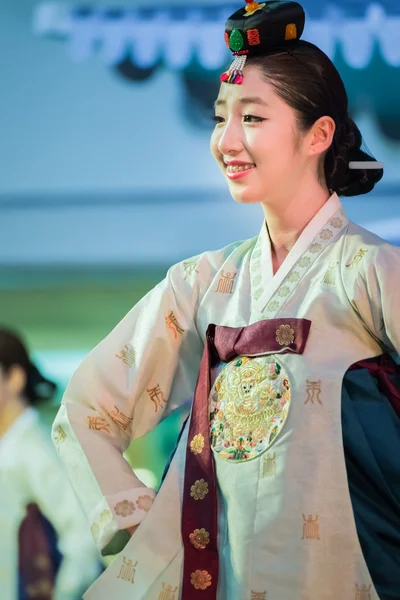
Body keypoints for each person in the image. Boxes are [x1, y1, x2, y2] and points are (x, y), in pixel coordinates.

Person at [52, 1, 400, 599]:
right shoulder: (200, 284)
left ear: (319, 133)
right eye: (221, 117)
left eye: (253, 117)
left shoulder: (368, 270)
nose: (227, 140)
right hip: (220, 574)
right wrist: (132, 516)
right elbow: (88, 405)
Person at [0, 327, 101, 599]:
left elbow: (83, 537)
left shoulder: (34, 448)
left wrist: (65, 593)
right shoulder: (10, 445)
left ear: (14, 379)